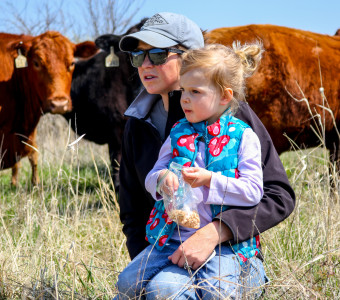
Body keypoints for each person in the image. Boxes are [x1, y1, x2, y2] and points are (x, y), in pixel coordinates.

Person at [117, 12, 295, 299]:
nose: (145, 64)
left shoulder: (231, 117)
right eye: (138, 56)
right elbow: (132, 209)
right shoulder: (137, 124)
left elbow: (279, 195)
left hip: (232, 255)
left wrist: (217, 231)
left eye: (159, 54)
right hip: (170, 254)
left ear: (190, 57)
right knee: (156, 290)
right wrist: (145, 277)